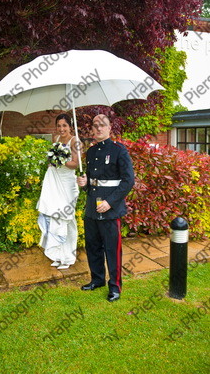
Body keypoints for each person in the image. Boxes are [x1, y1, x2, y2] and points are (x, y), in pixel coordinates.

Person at [77, 114, 134, 302]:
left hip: (110, 209)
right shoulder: (91, 152)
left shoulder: (119, 151)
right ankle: (97, 279)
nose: (99, 128)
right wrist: (84, 182)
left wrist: (110, 202)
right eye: (95, 125)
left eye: (103, 125)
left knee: (112, 249)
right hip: (92, 208)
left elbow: (128, 181)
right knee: (92, 246)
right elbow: (91, 182)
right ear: (92, 129)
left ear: (110, 128)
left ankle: (115, 286)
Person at [37, 113, 82, 269]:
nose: (61, 129)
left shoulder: (75, 141)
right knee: (54, 216)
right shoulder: (55, 139)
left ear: (70, 126)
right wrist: (53, 160)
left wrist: (61, 161)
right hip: (54, 182)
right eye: (59, 125)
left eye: (64, 125)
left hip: (67, 184)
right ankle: (57, 254)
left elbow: (76, 164)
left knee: (66, 218)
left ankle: (68, 257)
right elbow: (52, 159)